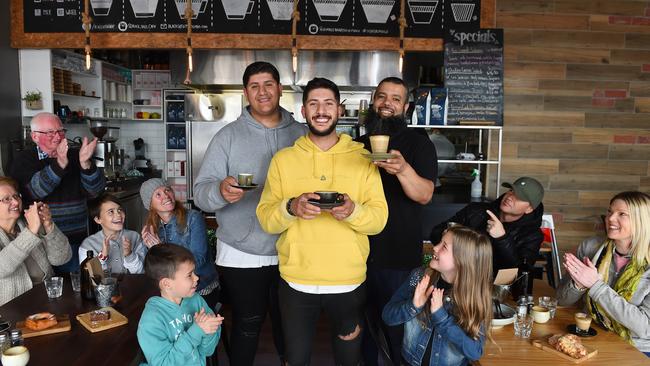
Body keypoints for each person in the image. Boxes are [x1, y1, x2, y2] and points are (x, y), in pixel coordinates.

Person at [256, 77, 388, 365]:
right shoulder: (283, 159)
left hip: (348, 283)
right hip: (295, 283)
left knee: (347, 361)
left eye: (328, 103)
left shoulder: (364, 159)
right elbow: (266, 219)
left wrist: (352, 211)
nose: (321, 110)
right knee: (296, 360)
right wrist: (292, 207)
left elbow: (378, 220)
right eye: (313, 103)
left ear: (339, 110)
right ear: (303, 111)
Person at [193, 61, 305, 365]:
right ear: (246, 93)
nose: (262, 92)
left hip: (293, 248)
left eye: (268, 84)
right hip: (242, 251)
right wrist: (220, 191)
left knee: (292, 327)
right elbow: (201, 193)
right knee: (248, 323)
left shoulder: (303, 135)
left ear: (280, 89)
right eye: (254, 86)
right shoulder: (227, 136)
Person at [355, 77, 437, 364]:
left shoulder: (418, 143)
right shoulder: (356, 146)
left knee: (398, 333)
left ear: (406, 106)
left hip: (398, 257)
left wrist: (403, 170)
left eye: (395, 99)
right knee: (360, 332)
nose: (386, 103)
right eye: (381, 96)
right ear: (373, 101)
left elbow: (425, 194)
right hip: (357, 256)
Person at [382, 225, 493, 366]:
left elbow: (475, 352)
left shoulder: (474, 298)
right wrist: (413, 306)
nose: (435, 248)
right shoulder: (419, 276)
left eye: (444, 247)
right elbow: (387, 316)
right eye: (440, 242)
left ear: (462, 261)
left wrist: (442, 318)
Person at [557, 191, 650, 357]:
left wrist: (595, 285)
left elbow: (645, 328)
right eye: (610, 211)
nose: (610, 219)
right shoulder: (590, 247)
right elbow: (561, 300)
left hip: (636, 349)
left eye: (622, 214)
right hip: (592, 335)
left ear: (641, 220)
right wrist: (578, 285)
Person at [10, 112, 105, 273]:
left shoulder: (76, 155)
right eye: (50, 132)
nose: (58, 136)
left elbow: (95, 191)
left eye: (61, 131)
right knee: (45, 292)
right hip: (40, 242)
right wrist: (60, 163)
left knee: (76, 289)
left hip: (76, 239)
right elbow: (35, 190)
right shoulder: (23, 159)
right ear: (34, 137)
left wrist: (85, 163)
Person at [430, 177, 545, 285]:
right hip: (456, 281)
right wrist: (449, 235)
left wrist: (502, 238)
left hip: (495, 291)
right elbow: (435, 233)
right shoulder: (475, 211)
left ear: (529, 208)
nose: (510, 197)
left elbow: (520, 275)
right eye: (511, 191)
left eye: (520, 197)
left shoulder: (533, 235)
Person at [137, 243, 223, 366]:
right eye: (189, 275)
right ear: (166, 284)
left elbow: (207, 351)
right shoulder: (151, 320)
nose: (196, 278)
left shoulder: (196, 300)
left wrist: (210, 331)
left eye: (194, 272)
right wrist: (197, 331)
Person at [139, 178, 219, 308]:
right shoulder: (151, 228)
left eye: (167, 190)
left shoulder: (193, 218)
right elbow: (154, 270)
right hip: (172, 292)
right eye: (158, 194)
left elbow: (199, 260)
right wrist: (152, 252)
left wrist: (161, 249)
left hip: (200, 287)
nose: (166, 196)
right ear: (150, 204)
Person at [0, 176, 72, 305]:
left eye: (16, 196)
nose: (16, 202)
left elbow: (62, 258)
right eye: (6, 199)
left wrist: (48, 225)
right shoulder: (31, 227)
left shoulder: (29, 225)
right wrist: (31, 231)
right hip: (12, 310)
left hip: (50, 300)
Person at [79, 194, 146, 274]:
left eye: (120, 210)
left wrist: (129, 254)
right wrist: (103, 256)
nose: (118, 215)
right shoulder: (88, 245)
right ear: (98, 219)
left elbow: (141, 272)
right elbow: (90, 278)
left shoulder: (135, 237)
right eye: (111, 212)